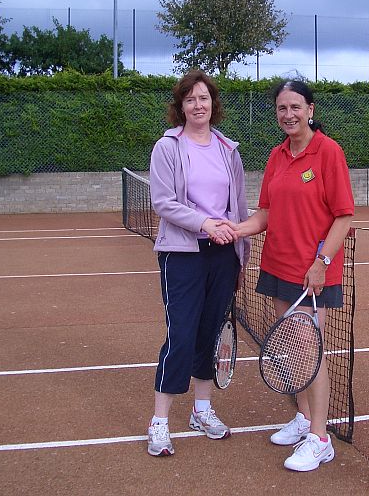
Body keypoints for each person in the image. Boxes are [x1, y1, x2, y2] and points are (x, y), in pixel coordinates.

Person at [222, 79, 354, 472]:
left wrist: (321, 263)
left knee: (311, 353)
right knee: (294, 352)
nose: (288, 115)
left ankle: (320, 438)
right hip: (279, 268)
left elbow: (344, 216)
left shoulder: (328, 153)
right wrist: (234, 229)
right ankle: (302, 418)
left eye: (296, 107)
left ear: (310, 110)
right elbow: (265, 214)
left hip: (314, 274)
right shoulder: (277, 156)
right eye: (282, 108)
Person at [146, 69, 249, 457]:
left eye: (203, 98)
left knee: (209, 334)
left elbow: (237, 206)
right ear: (181, 107)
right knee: (182, 335)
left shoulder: (228, 150)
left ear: (213, 104)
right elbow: (164, 203)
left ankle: (201, 410)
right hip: (182, 254)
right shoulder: (167, 147)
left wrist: (239, 253)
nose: (198, 105)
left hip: (223, 255)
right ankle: (159, 422)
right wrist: (205, 223)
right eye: (190, 99)